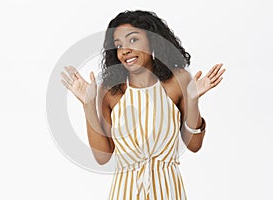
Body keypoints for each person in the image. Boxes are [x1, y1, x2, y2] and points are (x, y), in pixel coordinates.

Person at [61, 10, 225, 200]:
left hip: (168, 190)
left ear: (152, 40)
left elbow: (194, 145)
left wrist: (193, 100)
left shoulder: (178, 81)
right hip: (125, 192)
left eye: (133, 40)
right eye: (118, 45)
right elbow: (103, 157)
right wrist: (88, 105)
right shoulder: (111, 91)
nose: (125, 50)